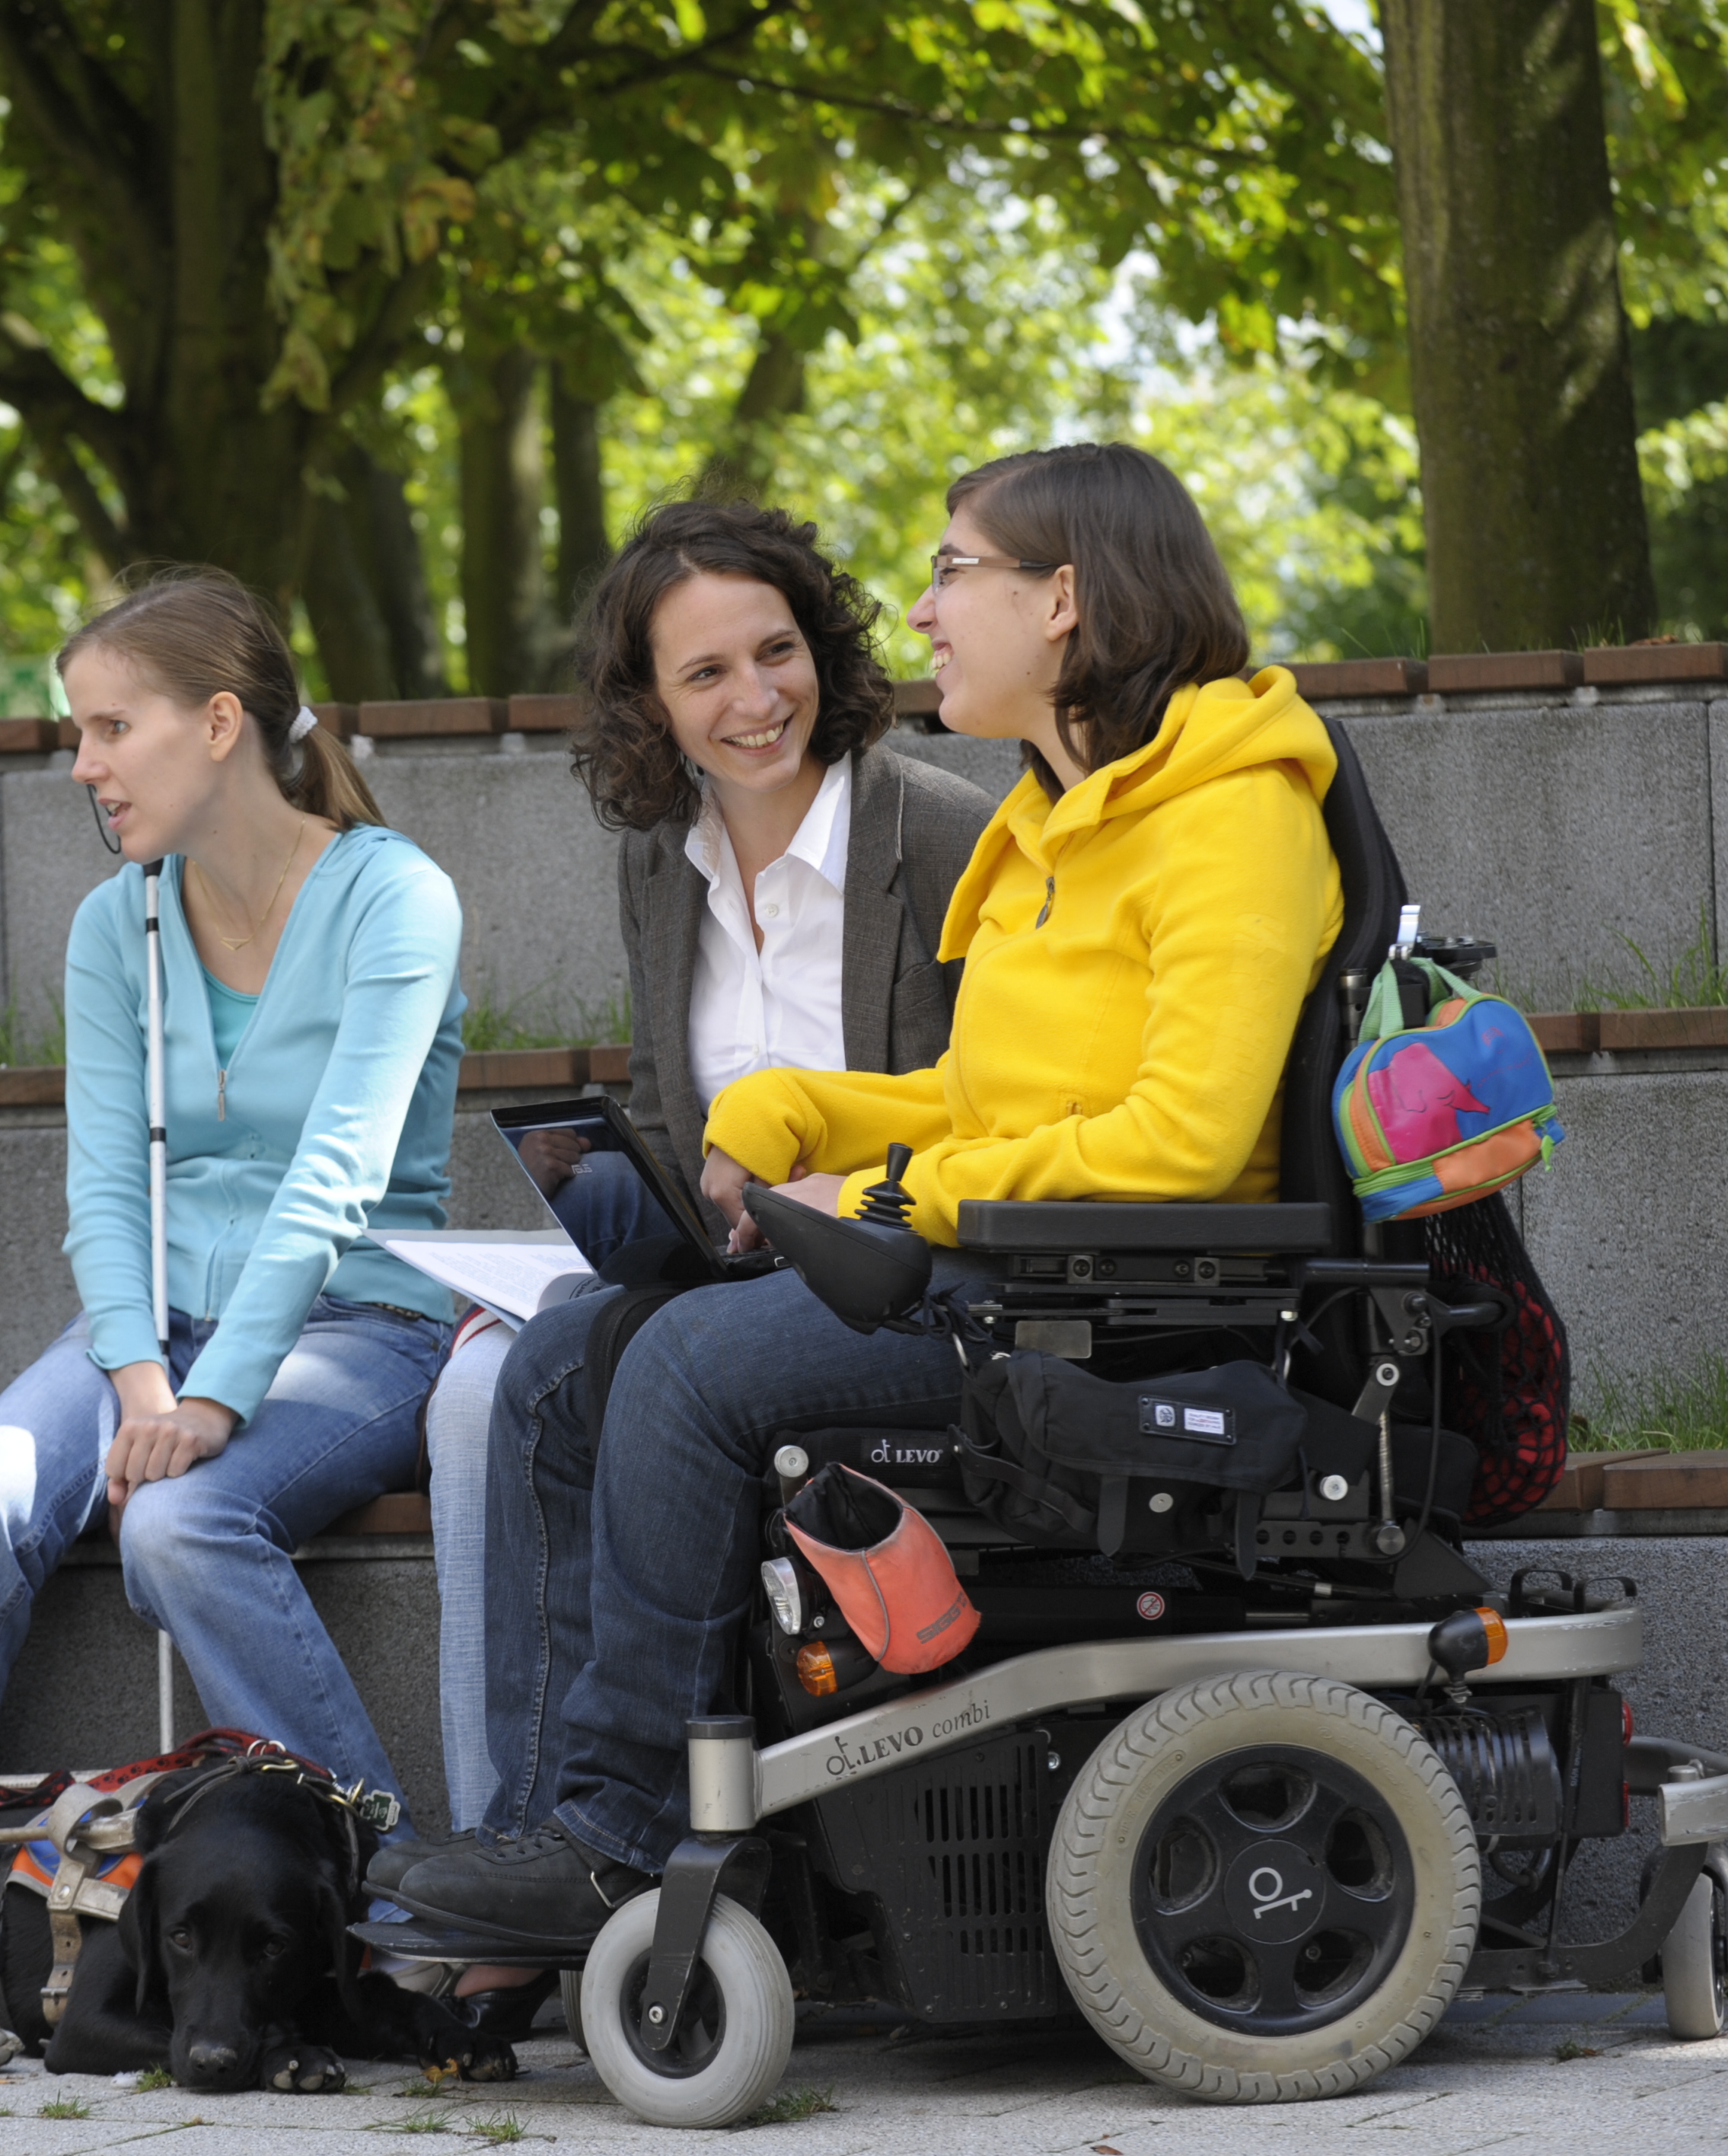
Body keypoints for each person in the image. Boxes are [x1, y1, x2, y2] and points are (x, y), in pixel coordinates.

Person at [394, 442, 1346, 1950]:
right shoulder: (1063, 817)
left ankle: (621, 1840)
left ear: (1064, 602)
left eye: (953, 571)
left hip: (1096, 1303)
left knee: (689, 1365)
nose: (920, 614)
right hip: (1005, 1264)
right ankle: (569, 1820)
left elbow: (1183, 1140)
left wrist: (905, 1198)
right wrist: (788, 1113)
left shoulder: (1229, 814)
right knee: (577, 1357)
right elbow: (981, 1093)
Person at [414, 500, 990, 1842]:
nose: (756, 699)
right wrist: (598, 1228)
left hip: (898, 1271)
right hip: (729, 1277)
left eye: (777, 652)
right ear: (651, 707)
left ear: (827, 652)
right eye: (707, 674)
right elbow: (671, 1126)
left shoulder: (945, 839)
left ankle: (598, 1834)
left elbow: (999, 1107)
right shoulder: (657, 868)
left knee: (565, 1373)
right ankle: (521, 1821)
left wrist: (849, 1193)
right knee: (498, 1370)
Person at [0, 568, 464, 1813]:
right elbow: (103, 1185)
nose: (84, 764)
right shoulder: (112, 923)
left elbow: (338, 1175)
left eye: (112, 728)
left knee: (178, 1527)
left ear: (222, 724)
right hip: (147, 1332)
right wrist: (145, 1384)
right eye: (80, 732)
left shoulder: (394, 897)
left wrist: (215, 1402)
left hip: (356, 1328)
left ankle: (380, 1878)